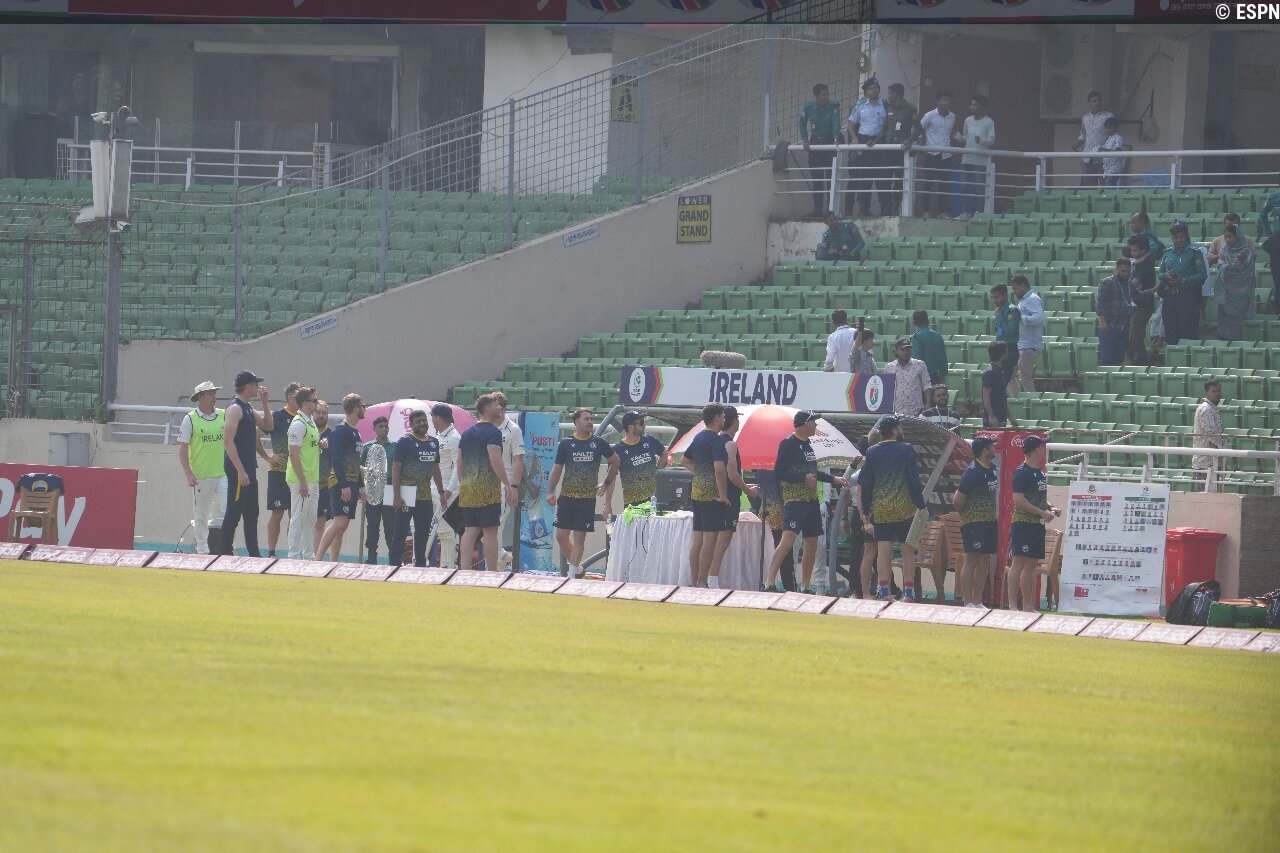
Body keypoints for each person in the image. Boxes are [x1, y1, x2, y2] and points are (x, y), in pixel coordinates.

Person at [765, 410, 847, 593]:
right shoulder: (788, 443)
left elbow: (814, 473)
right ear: (805, 424)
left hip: (812, 501)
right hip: (794, 500)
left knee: (812, 542)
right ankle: (769, 582)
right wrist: (803, 478)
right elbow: (778, 472)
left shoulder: (809, 445)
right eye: (813, 422)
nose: (816, 425)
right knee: (788, 539)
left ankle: (805, 586)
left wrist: (834, 479)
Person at [859, 416, 927, 601]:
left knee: (884, 551)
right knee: (907, 551)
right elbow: (913, 480)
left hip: (882, 509)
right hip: (905, 508)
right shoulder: (906, 448)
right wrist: (921, 504)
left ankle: (885, 593)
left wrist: (866, 510)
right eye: (900, 428)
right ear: (895, 430)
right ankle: (909, 594)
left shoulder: (872, 451)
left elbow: (866, 483)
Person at [546, 408, 617, 579]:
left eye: (591, 419)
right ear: (576, 422)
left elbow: (615, 461)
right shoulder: (566, 443)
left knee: (579, 538)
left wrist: (606, 482)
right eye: (586, 419)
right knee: (561, 537)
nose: (590, 422)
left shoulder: (599, 443)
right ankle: (577, 569)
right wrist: (549, 491)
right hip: (567, 497)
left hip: (586, 499)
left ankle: (571, 576)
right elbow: (557, 469)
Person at [457, 393, 517, 572]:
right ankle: (491, 572)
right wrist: (507, 484)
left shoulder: (467, 432)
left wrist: (462, 483)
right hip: (487, 490)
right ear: (488, 408)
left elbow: (459, 460)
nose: (500, 408)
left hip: (468, 489)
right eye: (496, 405)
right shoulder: (493, 432)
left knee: (470, 530)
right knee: (490, 531)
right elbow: (494, 458)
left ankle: (464, 570)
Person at [218, 370, 274, 557]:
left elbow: (268, 426)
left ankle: (254, 553)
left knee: (252, 512)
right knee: (234, 511)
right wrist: (240, 471)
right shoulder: (235, 408)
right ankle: (225, 552)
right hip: (239, 469)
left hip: (249, 468)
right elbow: (228, 441)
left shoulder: (248, 407)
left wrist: (265, 403)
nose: (258, 387)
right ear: (248, 386)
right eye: (255, 384)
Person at [389, 408, 448, 568]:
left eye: (424, 420)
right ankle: (394, 565)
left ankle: (420, 565)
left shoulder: (433, 442)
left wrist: (441, 491)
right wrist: (396, 495)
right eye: (418, 421)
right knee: (401, 531)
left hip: (425, 495)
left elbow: (435, 468)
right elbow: (396, 468)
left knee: (423, 533)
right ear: (411, 424)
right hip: (406, 494)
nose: (422, 423)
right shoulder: (405, 442)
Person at [712, 407, 760, 589]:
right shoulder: (730, 444)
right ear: (734, 421)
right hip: (729, 497)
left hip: (715, 495)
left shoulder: (714, 441)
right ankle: (712, 581)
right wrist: (748, 490)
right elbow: (732, 473)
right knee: (722, 541)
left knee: (712, 541)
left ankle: (705, 579)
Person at [177, 380, 226, 555]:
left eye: (214, 393)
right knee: (201, 515)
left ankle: (228, 547)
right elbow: (183, 449)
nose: (214, 396)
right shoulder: (190, 419)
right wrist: (188, 473)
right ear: (200, 397)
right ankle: (203, 551)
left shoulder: (223, 415)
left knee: (229, 510)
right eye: (210, 393)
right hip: (201, 476)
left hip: (224, 474)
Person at [683, 403, 730, 588]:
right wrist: (723, 495)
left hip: (697, 494)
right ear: (717, 417)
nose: (724, 419)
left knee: (698, 540)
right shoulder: (717, 441)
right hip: (712, 497)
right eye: (723, 416)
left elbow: (685, 460)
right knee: (709, 541)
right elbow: (719, 469)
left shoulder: (698, 437)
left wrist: (701, 473)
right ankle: (702, 582)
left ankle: (695, 581)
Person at [315, 393, 366, 561]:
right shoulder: (341, 430)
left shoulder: (355, 432)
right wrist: (343, 485)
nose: (364, 409)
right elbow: (336, 459)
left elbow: (356, 461)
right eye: (362, 406)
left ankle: (333, 562)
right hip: (339, 482)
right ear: (355, 408)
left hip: (352, 482)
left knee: (343, 525)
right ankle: (317, 560)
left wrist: (360, 485)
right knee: (339, 521)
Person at [1010, 436, 1057, 613]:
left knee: (1031, 565)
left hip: (1037, 524)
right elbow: (1019, 500)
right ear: (1035, 449)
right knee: (1018, 563)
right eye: (1042, 446)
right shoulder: (1022, 472)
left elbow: (1039, 497)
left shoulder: (1039, 471)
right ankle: (1013, 605)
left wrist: (1051, 507)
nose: (1044, 448)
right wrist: (1042, 513)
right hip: (1023, 523)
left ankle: (1028, 606)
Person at [952, 435, 998, 609]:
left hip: (989, 521)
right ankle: (967, 602)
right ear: (985, 451)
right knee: (971, 560)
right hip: (973, 522)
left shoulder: (992, 469)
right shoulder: (972, 472)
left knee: (984, 561)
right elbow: (957, 500)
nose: (994, 449)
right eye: (992, 446)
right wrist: (968, 516)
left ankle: (978, 602)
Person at [263, 381, 301, 558]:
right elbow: (257, 434)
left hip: (298, 474)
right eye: (300, 396)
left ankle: (292, 552)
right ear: (291, 397)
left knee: (295, 515)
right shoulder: (278, 416)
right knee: (277, 513)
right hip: (279, 472)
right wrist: (267, 457)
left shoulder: (303, 418)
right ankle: (271, 552)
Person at [603, 410, 666, 516]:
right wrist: (607, 503)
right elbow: (611, 479)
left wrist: (658, 473)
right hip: (632, 503)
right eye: (641, 423)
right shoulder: (618, 450)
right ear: (631, 427)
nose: (644, 425)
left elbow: (664, 454)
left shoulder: (649, 441)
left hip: (654, 500)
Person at [837, 437, 876, 598]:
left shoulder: (856, 466)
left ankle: (857, 589)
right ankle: (859, 589)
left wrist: (845, 518)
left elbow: (845, 492)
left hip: (861, 513)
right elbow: (847, 490)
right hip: (869, 513)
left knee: (859, 553)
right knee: (870, 552)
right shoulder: (862, 466)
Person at [285, 386, 321, 560]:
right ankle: (293, 554)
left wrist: (321, 444)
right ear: (305, 403)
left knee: (310, 519)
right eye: (314, 400)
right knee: (298, 517)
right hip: (300, 479)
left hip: (313, 477)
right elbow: (294, 454)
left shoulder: (310, 421)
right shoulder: (298, 424)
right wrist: (303, 482)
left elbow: (308, 444)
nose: (317, 403)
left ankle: (308, 555)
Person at [843, 77, 887, 218]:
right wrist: (855, 139)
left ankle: (885, 210)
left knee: (881, 179)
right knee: (864, 178)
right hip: (863, 142)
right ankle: (864, 210)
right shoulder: (860, 104)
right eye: (871, 88)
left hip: (880, 143)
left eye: (876, 88)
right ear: (866, 92)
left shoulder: (885, 104)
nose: (874, 90)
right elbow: (851, 125)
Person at [1158, 222, 1207, 346]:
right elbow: (1160, 273)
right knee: (1170, 332)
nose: (1178, 240)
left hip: (1187, 297)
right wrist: (1166, 275)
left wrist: (1183, 280)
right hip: (1170, 297)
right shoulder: (1167, 253)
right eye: (1176, 237)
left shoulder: (1194, 253)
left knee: (1187, 332)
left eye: (1181, 237)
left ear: (1186, 237)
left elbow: (1202, 275)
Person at [799, 83, 843, 219]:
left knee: (830, 177)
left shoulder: (833, 106)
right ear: (816, 96)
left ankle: (830, 210)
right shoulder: (809, 107)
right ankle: (817, 209)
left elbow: (836, 123)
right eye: (824, 95)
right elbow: (801, 123)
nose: (827, 97)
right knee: (817, 178)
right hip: (815, 143)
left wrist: (836, 138)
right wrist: (805, 140)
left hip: (829, 143)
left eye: (827, 94)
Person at [495, 393, 526, 571]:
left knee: (496, 525)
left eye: (496, 406)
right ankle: (502, 556)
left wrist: (514, 487)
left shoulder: (513, 429)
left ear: (503, 408)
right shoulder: (485, 426)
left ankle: (495, 569)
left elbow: (519, 460)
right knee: (485, 528)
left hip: (504, 483)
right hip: (484, 483)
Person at [1211, 222, 1257, 341]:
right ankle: (1225, 341)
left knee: (1238, 318)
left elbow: (1247, 270)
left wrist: (1235, 266)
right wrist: (1229, 267)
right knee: (1225, 316)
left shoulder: (1246, 250)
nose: (1227, 239)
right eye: (1225, 236)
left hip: (1242, 290)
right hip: (1226, 289)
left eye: (1230, 236)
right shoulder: (1224, 249)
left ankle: (1239, 342)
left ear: (1238, 236)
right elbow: (1220, 264)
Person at [361, 415, 397, 564]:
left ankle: (393, 557)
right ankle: (371, 557)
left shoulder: (395, 446)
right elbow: (361, 469)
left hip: (390, 487)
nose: (384, 429)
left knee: (390, 524)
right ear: (374, 429)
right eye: (380, 426)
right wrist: (362, 487)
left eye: (386, 426)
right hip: (373, 488)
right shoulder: (368, 447)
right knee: (373, 524)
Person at [953, 94, 994, 220]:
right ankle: (965, 213)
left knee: (978, 188)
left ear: (982, 107)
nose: (971, 107)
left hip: (980, 161)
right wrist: (957, 137)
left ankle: (978, 213)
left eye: (974, 105)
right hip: (966, 159)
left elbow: (991, 140)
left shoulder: (989, 122)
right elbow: (966, 139)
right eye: (971, 104)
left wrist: (981, 140)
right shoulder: (968, 120)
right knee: (964, 187)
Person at [880, 82, 918, 217]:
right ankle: (886, 206)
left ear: (896, 94)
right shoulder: (888, 108)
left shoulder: (910, 109)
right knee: (884, 179)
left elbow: (918, 128)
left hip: (901, 150)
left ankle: (895, 207)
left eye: (890, 93)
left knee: (899, 180)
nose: (888, 96)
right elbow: (884, 128)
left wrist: (910, 140)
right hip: (888, 149)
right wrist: (875, 141)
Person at [916, 89, 956, 219]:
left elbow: (950, 134)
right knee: (928, 183)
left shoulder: (952, 116)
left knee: (945, 185)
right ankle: (925, 211)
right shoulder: (930, 115)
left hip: (946, 155)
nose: (947, 102)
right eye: (944, 100)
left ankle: (942, 212)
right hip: (932, 154)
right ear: (938, 101)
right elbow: (919, 129)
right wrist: (920, 144)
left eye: (949, 100)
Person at [431, 403, 462, 569]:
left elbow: (458, 466)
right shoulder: (438, 436)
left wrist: (449, 490)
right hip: (436, 488)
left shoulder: (454, 438)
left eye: (433, 417)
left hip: (448, 491)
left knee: (446, 529)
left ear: (438, 418)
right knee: (441, 529)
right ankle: (445, 566)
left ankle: (447, 567)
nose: (432, 421)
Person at [1095, 257, 1134, 367]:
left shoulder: (1129, 284)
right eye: (1123, 271)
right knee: (1107, 359)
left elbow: (1139, 296)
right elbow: (1100, 303)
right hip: (1110, 327)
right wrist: (1103, 322)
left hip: (1124, 328)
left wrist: (1155, 289)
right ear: (1117, 269)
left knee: (1119, 359)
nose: (1126, 273)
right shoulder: (1107, 282)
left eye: (1128, 271)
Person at [1127, 235, 1158, 365]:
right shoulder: (1138, 262)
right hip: (1136, 304)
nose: (1132, 253)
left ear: (1143, 250)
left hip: (1142, 305)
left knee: (1136, 336)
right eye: (1131, 250)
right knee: (1133, 336)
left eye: (1135, 250)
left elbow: (1133, 284)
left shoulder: (1145, 264)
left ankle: (1142, 364)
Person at [881, 335, 931, 417]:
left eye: (908, 349)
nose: (906, 352)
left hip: (917, 411)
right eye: (902, 350)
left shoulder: (920, 364)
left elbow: (926, 384)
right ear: (896, 351)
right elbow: (886, 389)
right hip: (896, 411)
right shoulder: (889, 367)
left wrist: (928, 403)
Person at [1072, 90, 1114, 187]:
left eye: (1099, 100)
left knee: (1105, 186)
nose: (1097, 103)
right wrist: (1078, 142)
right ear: (1089, 103)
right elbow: (1083, 133)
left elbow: (1113, 134)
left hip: (1103, 158)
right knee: (1089, 187)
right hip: (1087, 158)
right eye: (1094, 101)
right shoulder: (1085, 118)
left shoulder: (1108, 116)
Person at [1010, 275, 1043, 395]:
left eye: (1015, 288)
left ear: (1023, 286)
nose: (1014, 292)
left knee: (1026, 382)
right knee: (1008, 375)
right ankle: (1017, 402)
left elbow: (1039, 318)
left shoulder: (1033, 299)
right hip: (1022, 345)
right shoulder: (1024, 300)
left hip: (1029, 346)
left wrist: (1020, 317)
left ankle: (1034, 405)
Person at [1192, 379, 1225, 486]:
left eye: (1218, 391)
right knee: (1205, 494)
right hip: (1206, 464)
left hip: (1210, 463)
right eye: (1214, 391)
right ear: (1206, 393)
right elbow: (1211, 438)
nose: (1217, 394)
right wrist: (1220, 460)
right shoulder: (1206, 409)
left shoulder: (1211, 409)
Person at [313, 400, 333, 554]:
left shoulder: (333, 435)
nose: (321, 416)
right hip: (304, 483)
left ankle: (315, 557)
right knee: (298, 520)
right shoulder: (306, 430)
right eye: (318, 412)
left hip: (324, 486)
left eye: (324, 413)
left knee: (320, 522)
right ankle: (295, 555)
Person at [910, 309, 948, 386]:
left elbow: (917, 360)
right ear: (928, 321)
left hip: (923, 378)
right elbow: (943, 359)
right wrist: (942, 378)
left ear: (914, 323)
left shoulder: (916, 337)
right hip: (937, 377)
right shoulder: (938, 336)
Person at [1259, 173, 1280, 313]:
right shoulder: (1273, 198)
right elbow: (1262, 214)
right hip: (1278, 240)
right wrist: (1269, 233)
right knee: (1278, 276)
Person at [982, 342, 1015, 429]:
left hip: (1001, 417)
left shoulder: (999, 371)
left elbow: (1001, 397)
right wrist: (991, 416)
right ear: (1003, 355)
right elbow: (986, 395)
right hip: (993, 420)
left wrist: (1010, 417)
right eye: (1006, 352)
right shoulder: (990, 372)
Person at [1098, 116, 1125, 189]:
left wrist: (1105, 150)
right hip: (1107, 169)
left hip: (1114, 169)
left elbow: (1118, 151)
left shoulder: (1118, 138)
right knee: (1108, 187)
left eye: (1110, 128)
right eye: (1106, 128)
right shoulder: (1109, 139)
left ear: (1116, 128)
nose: (1107, 130)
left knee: (1110, 188)